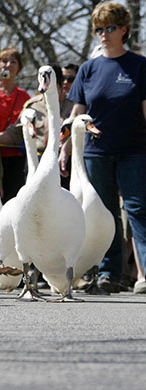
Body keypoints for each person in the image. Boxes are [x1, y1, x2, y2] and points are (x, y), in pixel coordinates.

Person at [60, 1, 146, 294]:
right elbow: (77, 115)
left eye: (110, 28)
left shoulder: (140, 65)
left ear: (124, 29)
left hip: (135, 151)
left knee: (137, 210)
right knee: (104, 214)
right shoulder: (88, 69)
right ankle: (109, 272)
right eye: (99, 29)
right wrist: (65, 148)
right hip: (95, 152)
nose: (104, 34)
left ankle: (143, 274)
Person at [0, 47, 30, 203]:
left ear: (19, 68)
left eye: (13, 62)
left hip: (16, 157)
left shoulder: (24, 96)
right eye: (4, 61)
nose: (8, 65)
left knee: (14, 201)